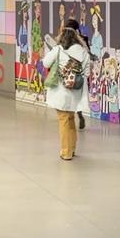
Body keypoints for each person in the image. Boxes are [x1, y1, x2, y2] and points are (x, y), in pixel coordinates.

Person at [43, 27, 90, 161]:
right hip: (76, 92)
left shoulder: (58, 49)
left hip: (61, 92)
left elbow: (46, 63)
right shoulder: (83, 52)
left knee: (63, 120)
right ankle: (72, 148)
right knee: (70, 119)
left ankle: (66, 152)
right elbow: (87, 72)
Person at [66, 19, 90, 129]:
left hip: (72, 75)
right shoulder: (80, 42)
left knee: (73, 98)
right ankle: (78, 116)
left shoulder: (68, 42)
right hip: (78, 75)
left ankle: (76, 117)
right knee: (75, 98)